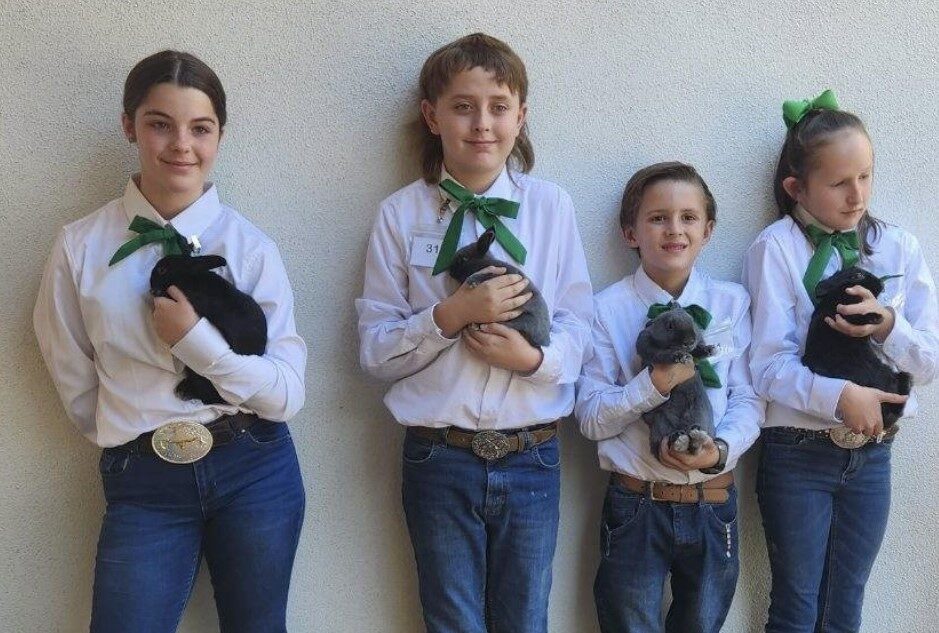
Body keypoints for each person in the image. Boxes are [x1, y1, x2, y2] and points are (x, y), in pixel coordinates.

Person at [33, 50, 307, 633]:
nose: (182, 144)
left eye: (200, 128)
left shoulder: (251, 248)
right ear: (129, 125)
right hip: (144, 479)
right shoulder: (80, 246)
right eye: (161, 123)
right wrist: (132, 433)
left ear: (219, 136)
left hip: (254, 469)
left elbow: (285, 396)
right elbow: (72, 371)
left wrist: (200, 345)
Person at [356, 32, 592, 633]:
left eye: (498, 106)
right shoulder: (400, 214)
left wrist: (534, 360)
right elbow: (376, 351)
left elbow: (576, 322)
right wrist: (449, 317)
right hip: (439, 457)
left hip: (532, 453)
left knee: (525, 620)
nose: (481, 123)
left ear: (521, 116)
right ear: (433, 117)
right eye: (462, 106)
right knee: (451, 620)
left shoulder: (552, 207)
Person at [743, 89, 939, 632]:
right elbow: (767, 366)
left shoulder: (898, 247)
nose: (857, 196)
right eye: (838, 182)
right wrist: (838, 396)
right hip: (799, 453)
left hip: (874, 455)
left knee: (845, 605)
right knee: (797, 606)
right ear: (795, 187)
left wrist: (891, 327)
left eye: (866, 177)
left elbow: (929, 363)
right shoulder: (775, 250)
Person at [575, 161, 763, 633]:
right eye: (657, 218)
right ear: (630, 232)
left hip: (712, 501)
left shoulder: (732, 303)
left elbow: (747, 398)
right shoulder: (604, 310)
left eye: (688, 217)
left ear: (709, 229)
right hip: (636, 501)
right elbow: (592, 418)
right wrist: (653, 385)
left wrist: (719, 451)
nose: (673, 229)